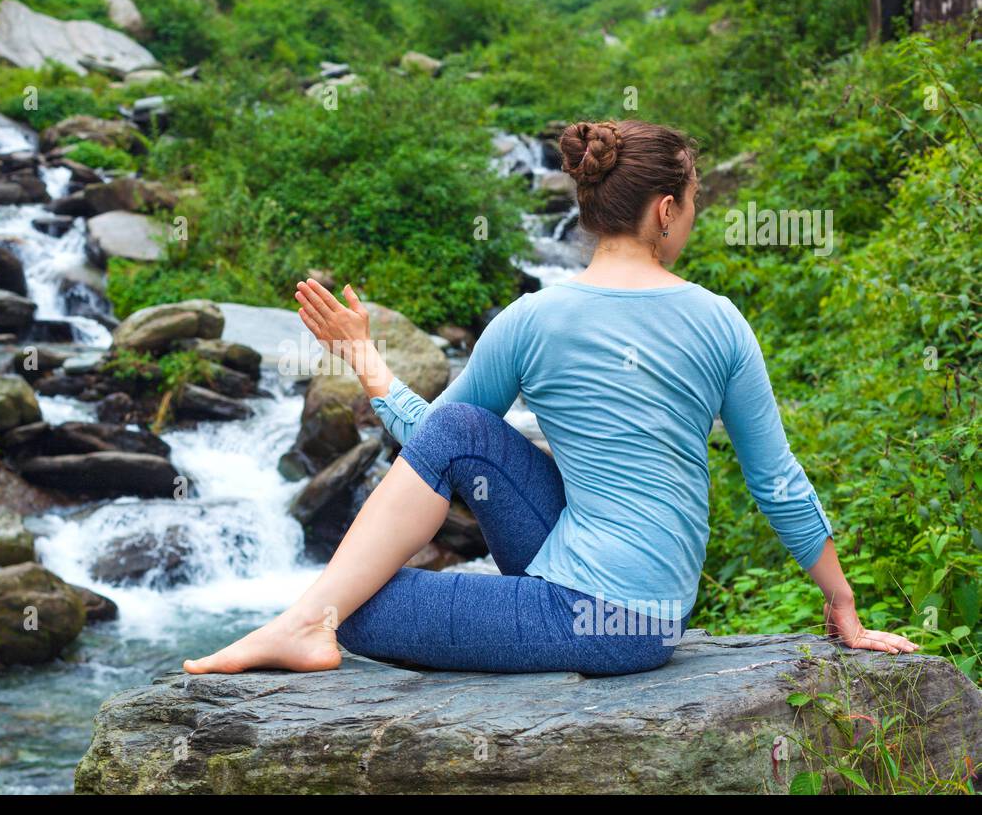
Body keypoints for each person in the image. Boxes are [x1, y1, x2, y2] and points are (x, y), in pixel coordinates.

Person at [184, 119, 917, 676]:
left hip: (608, 618)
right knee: (450, 452)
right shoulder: (719, 320)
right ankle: (309, 621)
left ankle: (307, 621)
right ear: (665, 211)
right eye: (692, 202)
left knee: (357, 606)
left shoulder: (531, 318)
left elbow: (432, 440)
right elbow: (776, 479)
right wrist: (843, 603)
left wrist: (367, 363)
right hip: (628, 598)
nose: (692, 216)